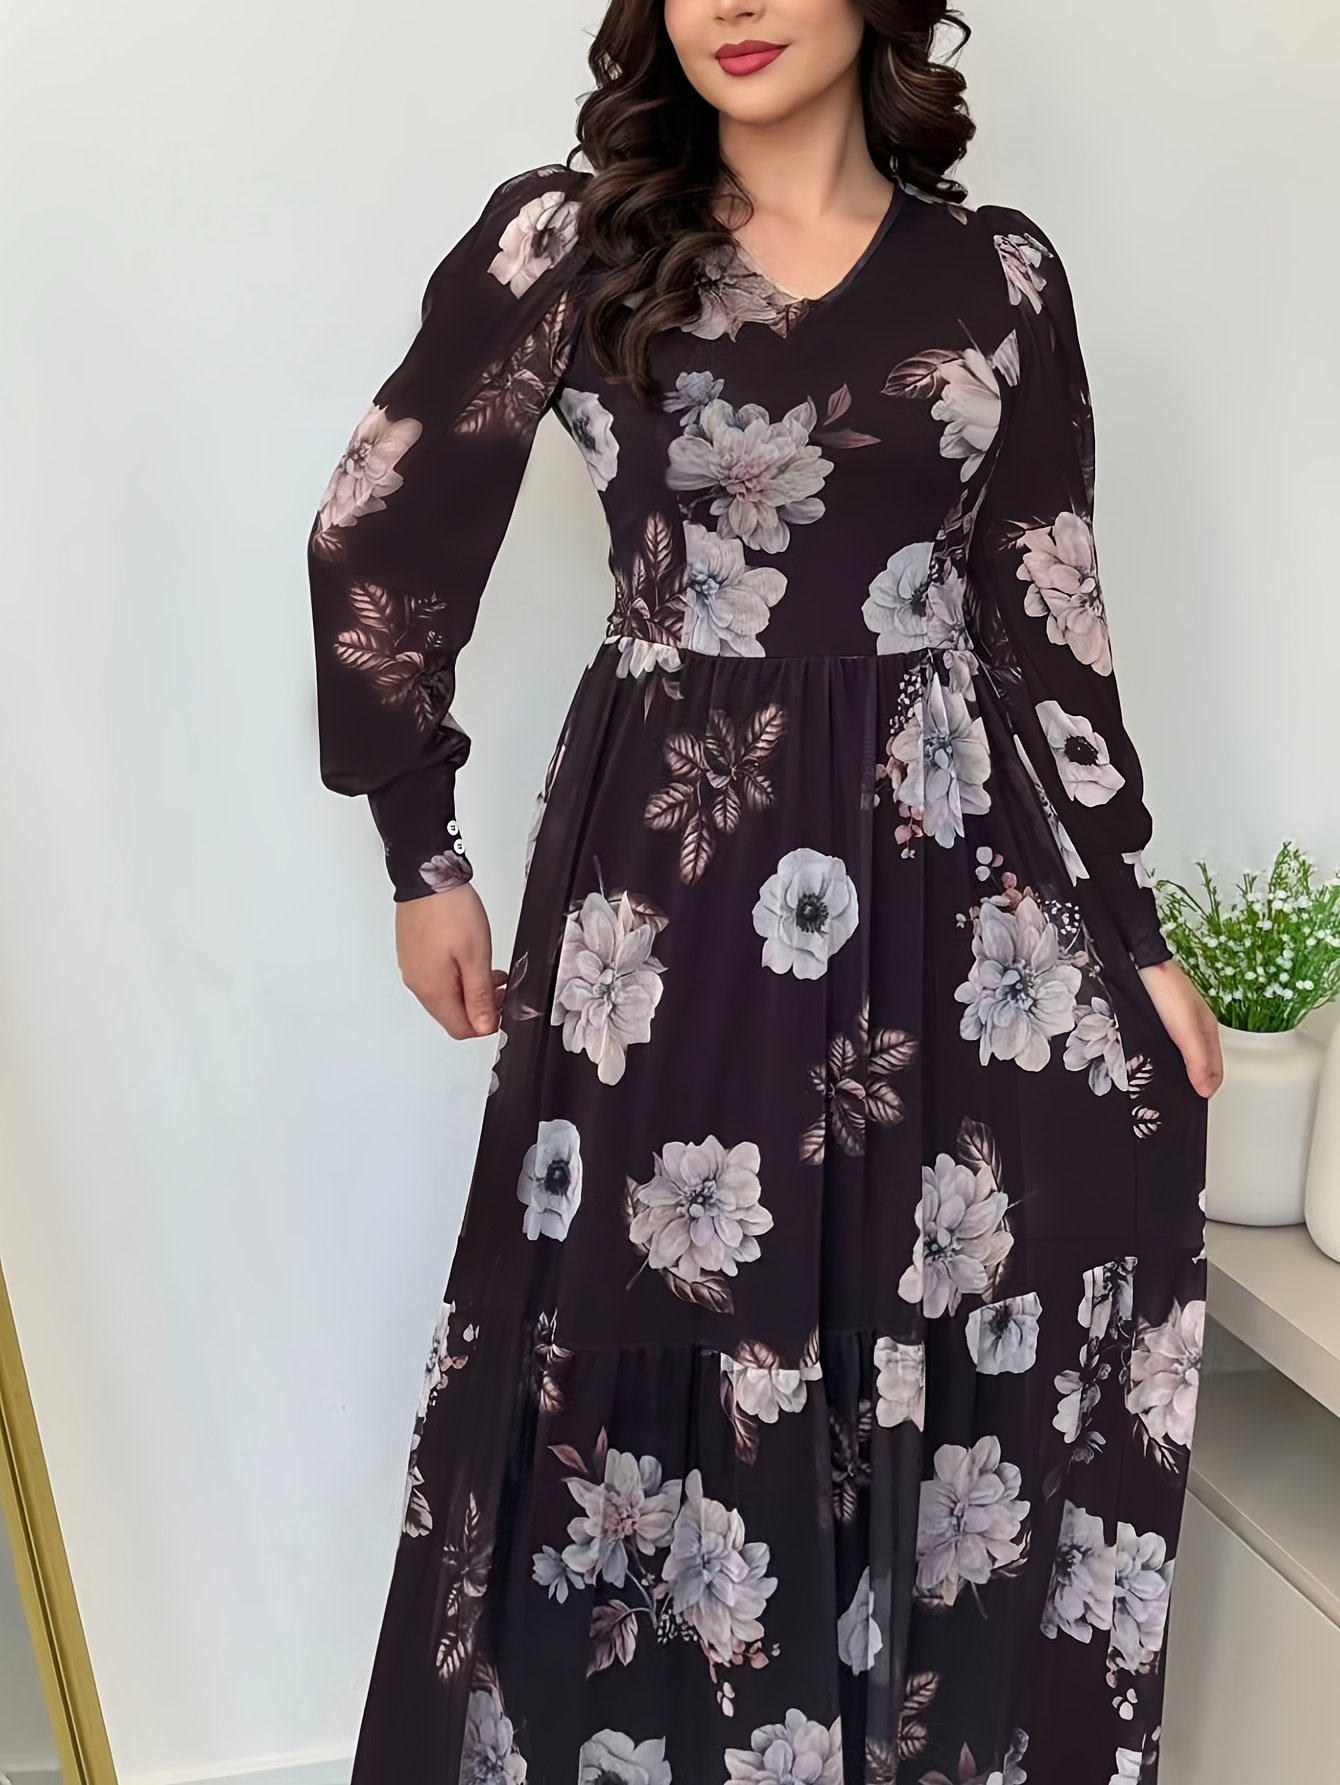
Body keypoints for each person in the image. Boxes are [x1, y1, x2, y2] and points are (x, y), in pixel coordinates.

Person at [305, 4, 1223, 1782]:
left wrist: (1138, 932)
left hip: (957, 888)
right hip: (674, 890)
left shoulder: (1000, 277)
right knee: (667, 1303)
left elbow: (1049, 615)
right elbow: (374, 530)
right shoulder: (571, 239)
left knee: (952, 1294)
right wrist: (425, 852)